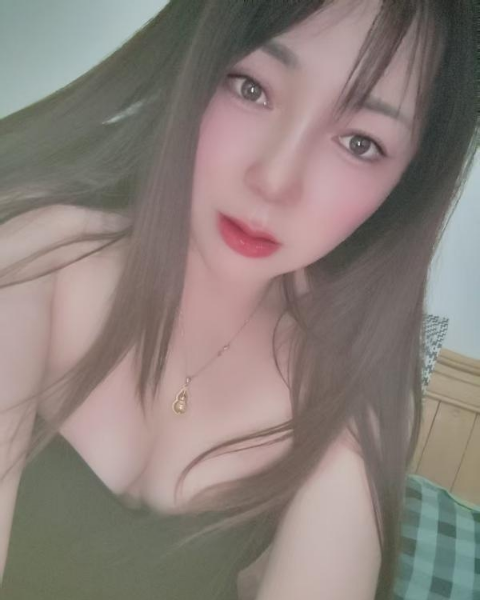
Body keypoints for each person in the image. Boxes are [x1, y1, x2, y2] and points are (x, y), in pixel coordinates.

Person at [0, 0, 477, 598]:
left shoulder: (351, 386)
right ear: (193, 67)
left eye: (360, 143)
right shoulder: (36, 257)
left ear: (407, 183)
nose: (275, 179)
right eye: (251, 88)